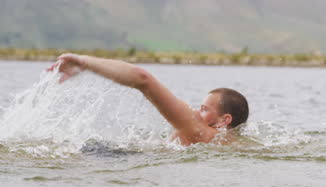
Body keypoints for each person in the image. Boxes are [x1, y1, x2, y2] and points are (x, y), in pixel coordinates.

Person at [47, 54, 249, 146]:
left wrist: (85, 63)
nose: (197, 111)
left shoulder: (197, 129)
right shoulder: (235, 144)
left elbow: (143, 79)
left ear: (224, 120)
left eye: (204, 109)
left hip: (113, 160)